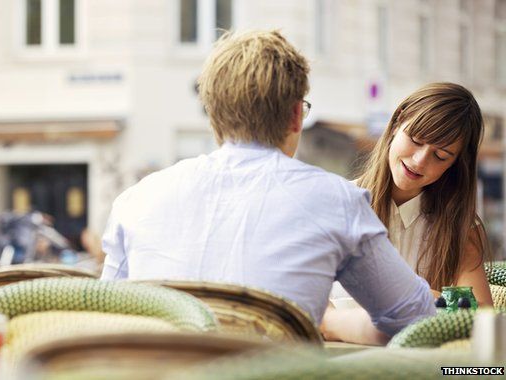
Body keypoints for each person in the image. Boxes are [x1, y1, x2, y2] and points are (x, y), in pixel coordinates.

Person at [100, 30, 435, 340]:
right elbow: (415, 317)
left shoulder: (136, 200)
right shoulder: (337, 201)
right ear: (295, 115)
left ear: (212, 114)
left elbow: (107, 317)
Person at [323, 82, 493, 344]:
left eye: (441, 155)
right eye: (416, 140)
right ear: (397, 122)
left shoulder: (460, 227)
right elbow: (304, 303)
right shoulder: (333, 203)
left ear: (456, 164)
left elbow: (481, 313)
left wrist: (423, 298)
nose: (419, 161)